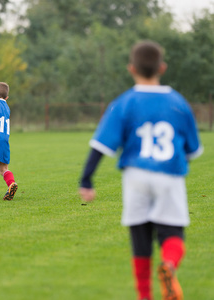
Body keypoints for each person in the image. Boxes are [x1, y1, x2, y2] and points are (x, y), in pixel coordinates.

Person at [78, 41, 203, 300]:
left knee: (141, 242)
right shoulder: (178, 103)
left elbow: (100, 145)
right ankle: (168, 265)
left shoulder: (125, 102)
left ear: (131, 68)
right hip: (169, 175)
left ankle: (144, 296)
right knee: (173, 236)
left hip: (135, 176)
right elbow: (193, 150)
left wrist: (87, 180)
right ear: (163, 68)